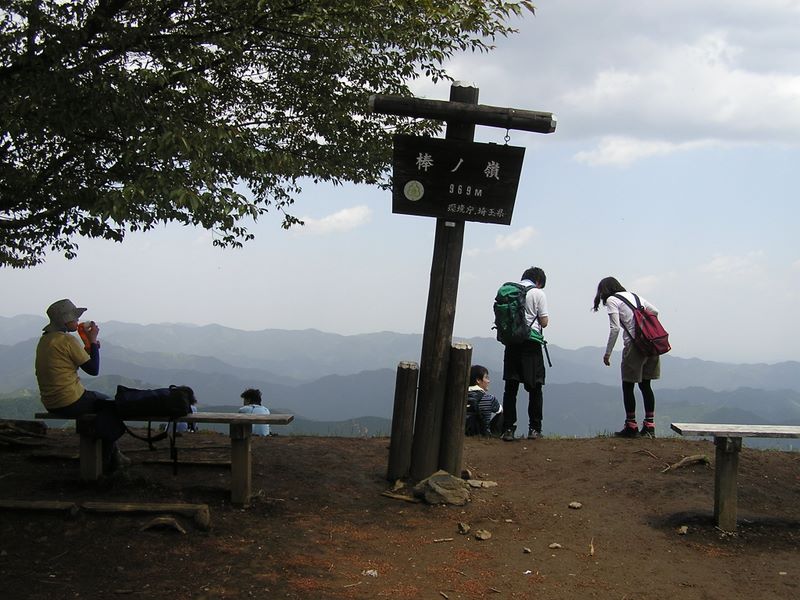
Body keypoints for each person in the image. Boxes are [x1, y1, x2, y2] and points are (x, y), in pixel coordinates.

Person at [34, 299, 129, 472]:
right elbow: (93, 369)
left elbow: (74, 360)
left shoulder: (45, 340)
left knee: (102, 403)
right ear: (65, 320)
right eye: (75, 318)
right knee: (110, 405)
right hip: (70, 400)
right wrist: (92, 340)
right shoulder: (67, 340)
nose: (78, 322)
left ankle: (115, 456)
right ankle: (108, 462)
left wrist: (90, 346)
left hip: (51, 402)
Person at [592, 276, 661, 438]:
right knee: (646, 385)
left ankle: (631, 426)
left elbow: (615, 328)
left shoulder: (612, 300)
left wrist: (608, 353)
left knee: (628, 385)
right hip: (651, 344)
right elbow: (655, 311)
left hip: (635, 346)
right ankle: (649, 426)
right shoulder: (635, 296)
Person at [501, 266, 549, 441]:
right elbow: (544, 322)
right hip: (531, 343)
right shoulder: (538, 294)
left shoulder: (510, 291)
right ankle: (534, 429)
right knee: (535, 387)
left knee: (511, 388)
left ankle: (508, 429)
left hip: (512, 342)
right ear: (538, 281)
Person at [465, 365, 502, 437]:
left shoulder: (461, 397)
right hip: (482, 433)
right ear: (478, 380)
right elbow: (500, 410)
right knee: (501, 414)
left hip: (463, 432)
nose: (489, 381)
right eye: (486, 378)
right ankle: (493, 435)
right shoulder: (489, 398)